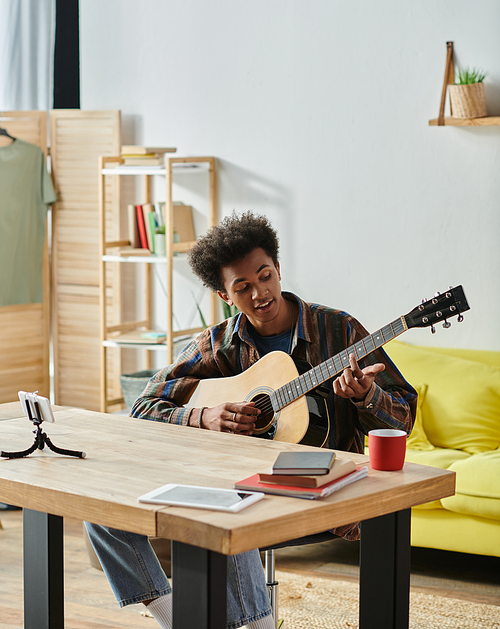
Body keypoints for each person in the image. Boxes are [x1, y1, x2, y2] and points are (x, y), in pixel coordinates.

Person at [86, 211, 416, 629]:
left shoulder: (340, 330)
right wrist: (203, 415)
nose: (259, 293)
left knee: (229, 510)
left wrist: (368, 395)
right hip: (237, 479)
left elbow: (404, 419)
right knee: (101, 510)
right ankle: (174, 617)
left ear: (278, 269)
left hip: (323, 491)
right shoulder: (218, 343)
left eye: (265, 276)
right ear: (225, 295)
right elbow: (144, 404)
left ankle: (257, 625)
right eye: (242, 287)